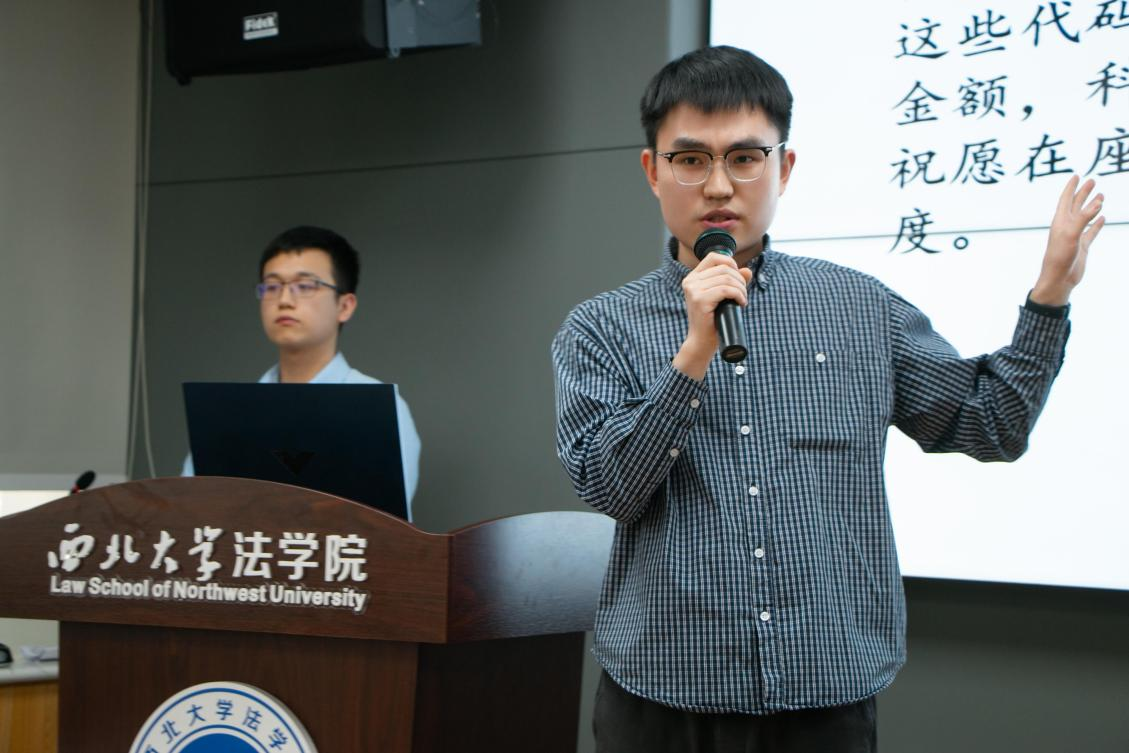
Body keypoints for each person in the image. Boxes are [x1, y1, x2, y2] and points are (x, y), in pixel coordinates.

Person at [552, 46, 1105, 752]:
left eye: (745, 158)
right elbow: (609, 487)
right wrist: (692, 354)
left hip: (824, 689)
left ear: (783, 168)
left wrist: (1049, 295)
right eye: (690, 159)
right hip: (662, 692)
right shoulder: (599, 327)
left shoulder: (859, 307)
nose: (718, 184)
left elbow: (991, 423)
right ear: (652, 171)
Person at [183, 226, 421, 511]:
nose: (284, 300)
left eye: (305, 286)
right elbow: (190, 512)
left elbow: (387, 525)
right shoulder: (227, 413)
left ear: (345, 306)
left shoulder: (379, 408)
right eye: (272, 286)